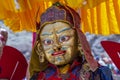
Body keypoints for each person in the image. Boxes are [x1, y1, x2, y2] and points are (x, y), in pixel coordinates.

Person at [29, 2, 113, 80]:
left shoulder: (97, 73)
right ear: (40, 48)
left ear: (79, 41)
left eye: (63, 38)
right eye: (48, 42)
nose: (56, 46)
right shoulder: (39, 77)